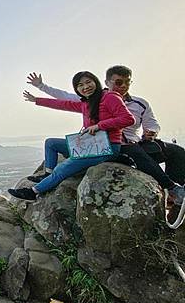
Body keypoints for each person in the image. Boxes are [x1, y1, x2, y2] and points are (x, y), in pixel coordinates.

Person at [27, 66, 185, 216]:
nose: (123, 85)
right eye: (118, 82)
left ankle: (175, 194)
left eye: (127, 82)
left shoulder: (139, 103)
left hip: (133, 141)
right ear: (107, 82)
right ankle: (171, 188)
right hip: (112, 145)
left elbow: (150, 123)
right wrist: (41, 87)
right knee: (135, 153)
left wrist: (151, 132)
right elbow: (64, 99)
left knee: (175, 151)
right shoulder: (95, 99)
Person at [8, 71, 135, 202]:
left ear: (95, 82)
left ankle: (33, 192)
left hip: (107, 147)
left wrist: (99, 126)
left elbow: (128, 119)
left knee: (64, 166)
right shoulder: (87, 102)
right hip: (91, 144)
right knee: (51, 143)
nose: (85, 87)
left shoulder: (110, 97)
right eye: (80, 85)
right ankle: (48, 175)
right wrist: (37, 100)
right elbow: (63, 104)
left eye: (88, 82)